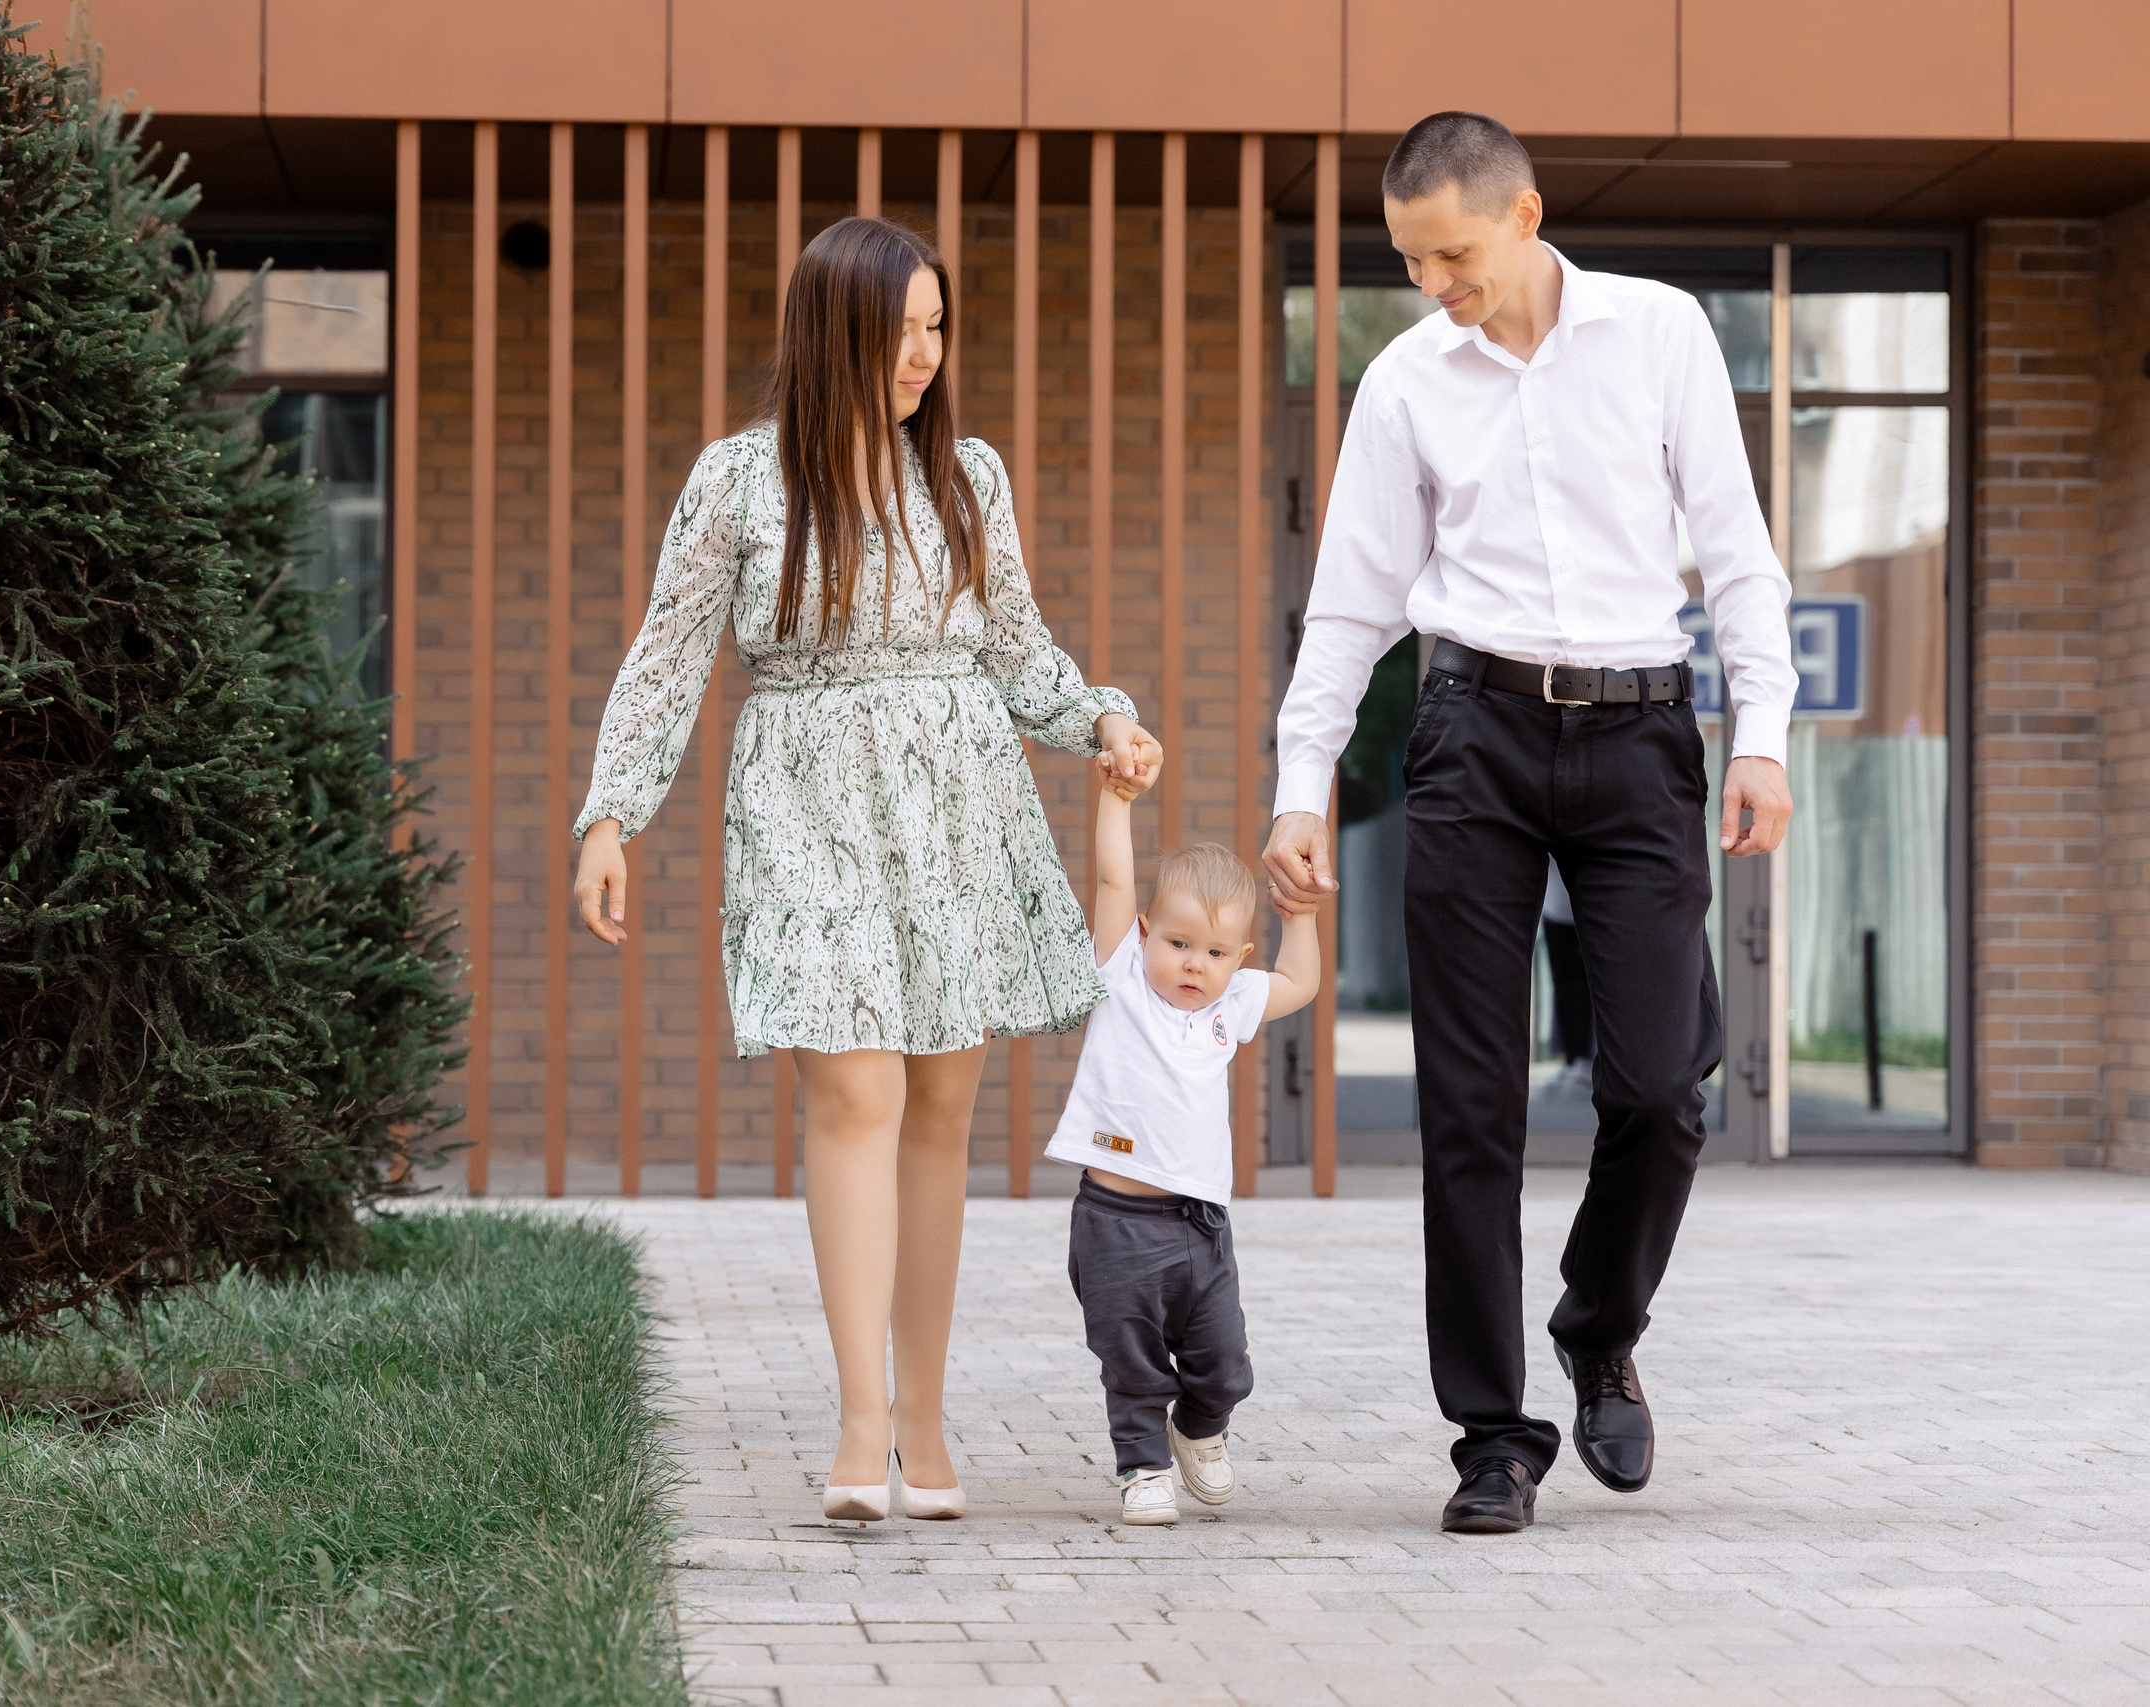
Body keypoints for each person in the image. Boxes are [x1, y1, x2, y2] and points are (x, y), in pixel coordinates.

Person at [572, 217, 1163, 1523]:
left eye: (938, 327)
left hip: (960, 800)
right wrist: (612, 812)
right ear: (829, 330)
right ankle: (858, 1418)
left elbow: (1018, 652)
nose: (922, 353)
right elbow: (669, 656)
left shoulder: (967, 476)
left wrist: (1101, 717)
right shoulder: (737, 482)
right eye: (901, 330)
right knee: (852, 1094)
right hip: (805, 797)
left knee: (941, 1115)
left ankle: (927, 1415)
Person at [1262, 113, 1796, 1535]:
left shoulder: (1660, 334)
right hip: (1472, 734)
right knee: (1472, 1108)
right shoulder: (1403, 381)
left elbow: (1737, 552)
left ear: (1526, 215)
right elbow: (1355, 599)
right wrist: (1297, 784)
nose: (1433, 281)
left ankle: (1598, 1321)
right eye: (1411, 258)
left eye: (1453, 253)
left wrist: (1762, 738)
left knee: (1663, 1083)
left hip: (1635, 735)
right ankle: (1492, 1433)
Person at [1046, 773, 1319, 1527]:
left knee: (1225, 1364)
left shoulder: (1230, 1003)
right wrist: (1116, 801)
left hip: (1201, 1226)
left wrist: (1300, 913)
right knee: (1130, 1359)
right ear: (1143, 933)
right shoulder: (1122, 977)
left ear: (1238, 957)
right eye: (1177, 944)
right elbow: (1109, 876)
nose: (1194, 964)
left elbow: (1300, 978)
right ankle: (1141, 1467)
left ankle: (1198, 1428)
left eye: (1215, 951)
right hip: (1115, 1224)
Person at [1540, 859, 1593, 1093]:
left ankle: (1591, 1058)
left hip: (1597, 905)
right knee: (1565, 986)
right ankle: (1575, 1058)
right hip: (1556, 907)